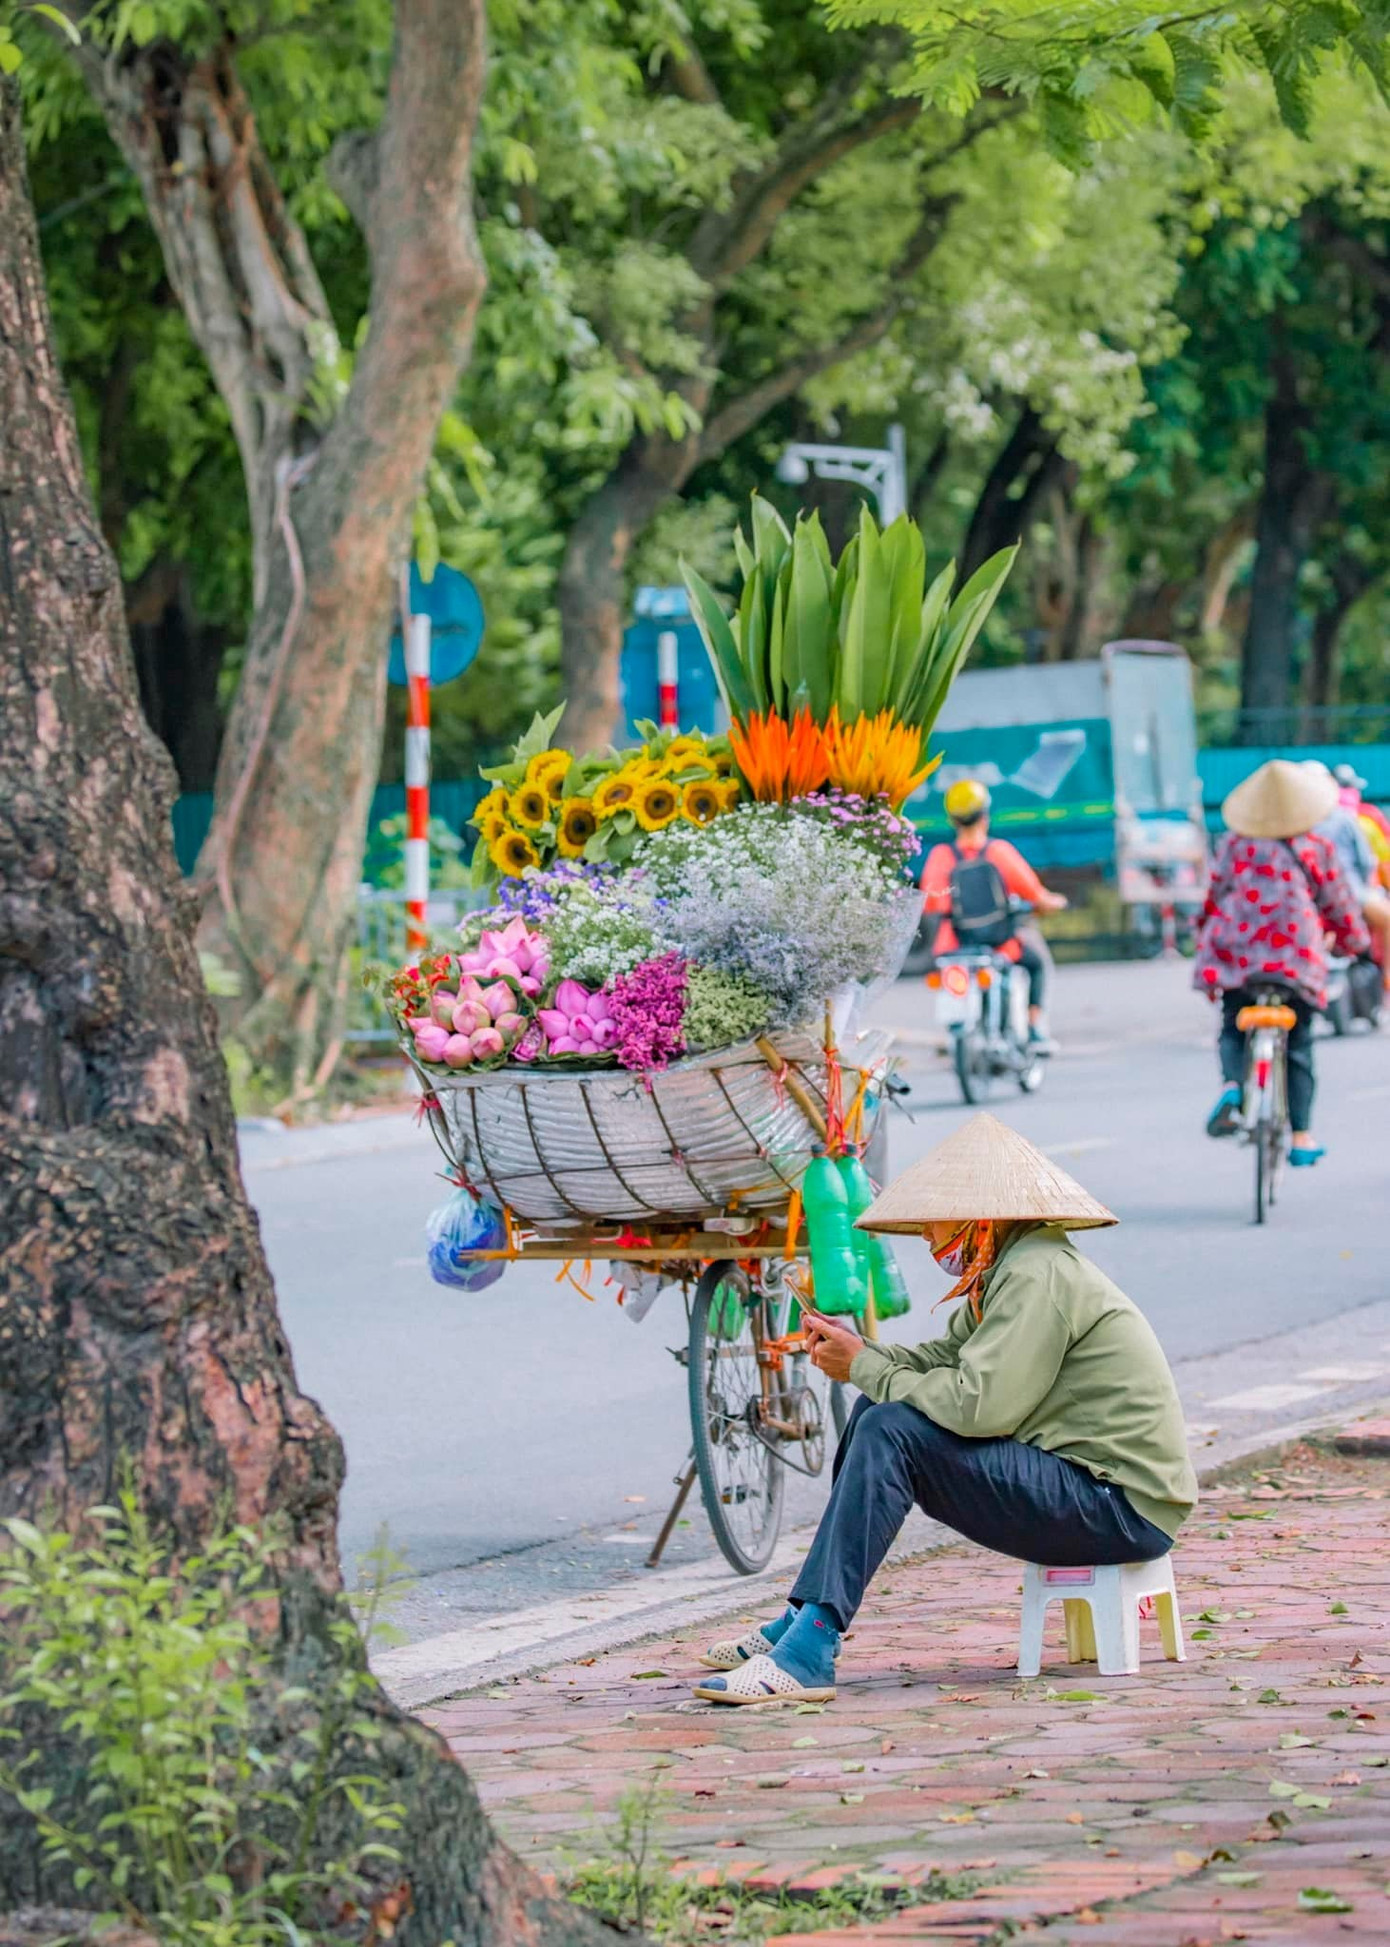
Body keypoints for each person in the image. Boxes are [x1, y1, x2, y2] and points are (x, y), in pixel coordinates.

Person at [693, 1114, 1196, 1707]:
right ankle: (804, 1619)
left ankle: (812, 1645)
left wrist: (864, 1365)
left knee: (890, 1428)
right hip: (1091, 1494)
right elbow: (944, 1358)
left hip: (1118, 1507)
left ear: (982, 1216)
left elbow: (980, 1407)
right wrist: (864, 1356)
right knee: (873, 1409)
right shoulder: (1009, 1267)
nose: (930, 1239)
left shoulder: (1037, 1273)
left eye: (936, 1222)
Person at [1195, 759, 1369, 1166]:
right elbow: (1340, 906)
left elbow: (1212, 899)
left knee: (1232, 1023)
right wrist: (1355, 944)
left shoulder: (1235, 845)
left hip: (1237, 956)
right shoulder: (1316, 847)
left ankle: (1231, 1086)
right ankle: (1303, 1136)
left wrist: (1202, 930)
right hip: (1296, 959)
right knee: (1301, 1041)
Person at [920, 778, 1068, 1050]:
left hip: (954, 947)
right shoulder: (998, 853)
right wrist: (1055, 902)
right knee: (1038, 962)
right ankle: (1035, 1028)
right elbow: (1035, 895)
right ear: (985, 816)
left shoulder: (941, 856)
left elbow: (931, 904)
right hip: (1001, 945)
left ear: (953, 820)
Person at [1329, 763, 1390, 977]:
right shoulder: (1365, 816)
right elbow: (1373, 862)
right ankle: (1387, 977)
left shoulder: (1309, 818)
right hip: (1354, 892)